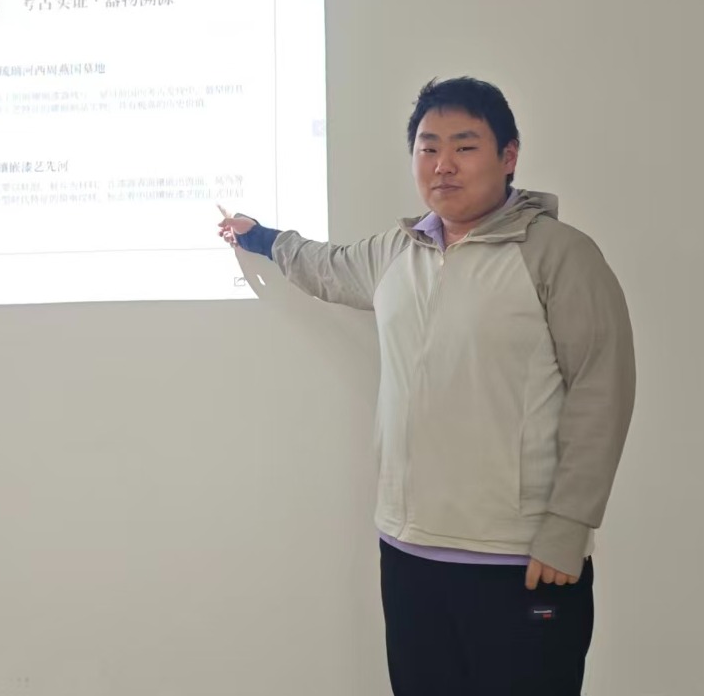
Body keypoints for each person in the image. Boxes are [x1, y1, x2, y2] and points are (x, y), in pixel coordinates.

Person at [218, 77, 634, 696]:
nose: (443, 164)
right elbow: (324, 266)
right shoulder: (397, 250)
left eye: (464, 146)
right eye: (428, 147)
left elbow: (602, 387)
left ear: (509, 156)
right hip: (408, 552)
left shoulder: (558, 254)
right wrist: (258, 237)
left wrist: (569, 524)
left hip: (521, 559)